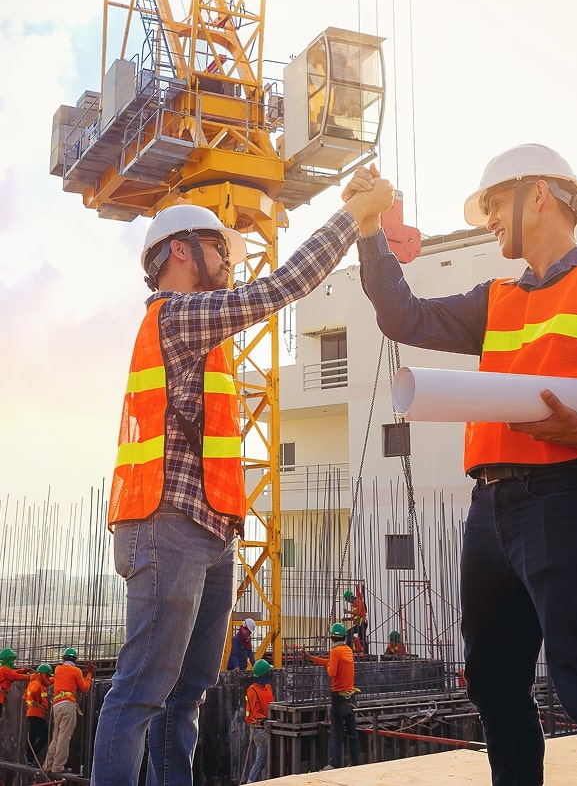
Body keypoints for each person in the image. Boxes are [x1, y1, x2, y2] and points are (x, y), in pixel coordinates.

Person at [347, 145, 577, 786]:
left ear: (539, 194)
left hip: (572, 498)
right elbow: (403, 316)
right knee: (493, 686)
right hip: (490, 510)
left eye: (494, 204)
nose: (489, 220)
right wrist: (368, 232)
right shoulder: (496, 298)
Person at [90, 178, 393, 786]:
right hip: (165, 525)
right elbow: (277, 290)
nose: (230, 261)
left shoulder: (204, 334)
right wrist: (348, 217)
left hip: (211, 529)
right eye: (220, 249)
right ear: (181, 251)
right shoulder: (176, 317)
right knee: (143, 690)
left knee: (188, 694)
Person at [304, 623, 360, 770]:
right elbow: (330, 663)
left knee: (336, 733)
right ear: (343, 637)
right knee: (352, 733)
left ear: (331, 637)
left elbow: (331, 672)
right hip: (350, 699)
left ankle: (335, 764)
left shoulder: (335, 652)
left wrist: (328, 665)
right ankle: (356, 762)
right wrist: (313, 658)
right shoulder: (347, 650)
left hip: (338, 699)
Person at [43, 648, 94, 775]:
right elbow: (85, 688)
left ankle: (48, 765)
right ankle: (58, 767)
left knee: (56, 736)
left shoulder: (58, 669)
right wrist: (89, 673)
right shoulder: (76, 671)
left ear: (63, 659)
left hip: (57, 705)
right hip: (68, 704)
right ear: (75, 660)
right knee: (64, 737)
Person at [242, 658, 275, 783]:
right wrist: (268, 719)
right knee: (263, 757)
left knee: (264, 758)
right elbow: (256, 713)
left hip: (268, 726)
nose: (270, 673)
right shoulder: (252, 690)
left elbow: (271, 704)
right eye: (268, 672)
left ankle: (254, 781)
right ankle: (251, 782)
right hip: (259, 729)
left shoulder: (268, 687)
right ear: (263, 674)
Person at [24, 664, 54, 768]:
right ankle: (30, 758)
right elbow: (33, 692)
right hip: (35, 713)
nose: (48, 678)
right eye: (47, 675)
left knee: (35, 736)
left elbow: (48, 682)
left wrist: (57, 677)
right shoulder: (36, 683)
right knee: (42, 736)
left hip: (36, 714)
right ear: (41, 674)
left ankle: (30, 758)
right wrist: (36, 700)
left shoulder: (40, 682)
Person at [0, 648, 30, 719]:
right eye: (11, 660)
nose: (13, 662)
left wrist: (24, 670)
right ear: (7, 660)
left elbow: (13, 672)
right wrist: (31, 676)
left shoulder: (3, 669)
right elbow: (16, 676)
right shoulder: (5, 669)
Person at [343, 587, 368, 653]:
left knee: (348, 633)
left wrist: (348, 612)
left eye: (348, 600)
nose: (348, 602)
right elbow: (355, 616)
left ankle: (349, 650)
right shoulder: (355, 604)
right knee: (362, 639)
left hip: (362, 624)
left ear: (350, 597)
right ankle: (365, 653)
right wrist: (347, 619)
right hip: (360, 624)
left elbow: (358, 613)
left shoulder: (358, 602)